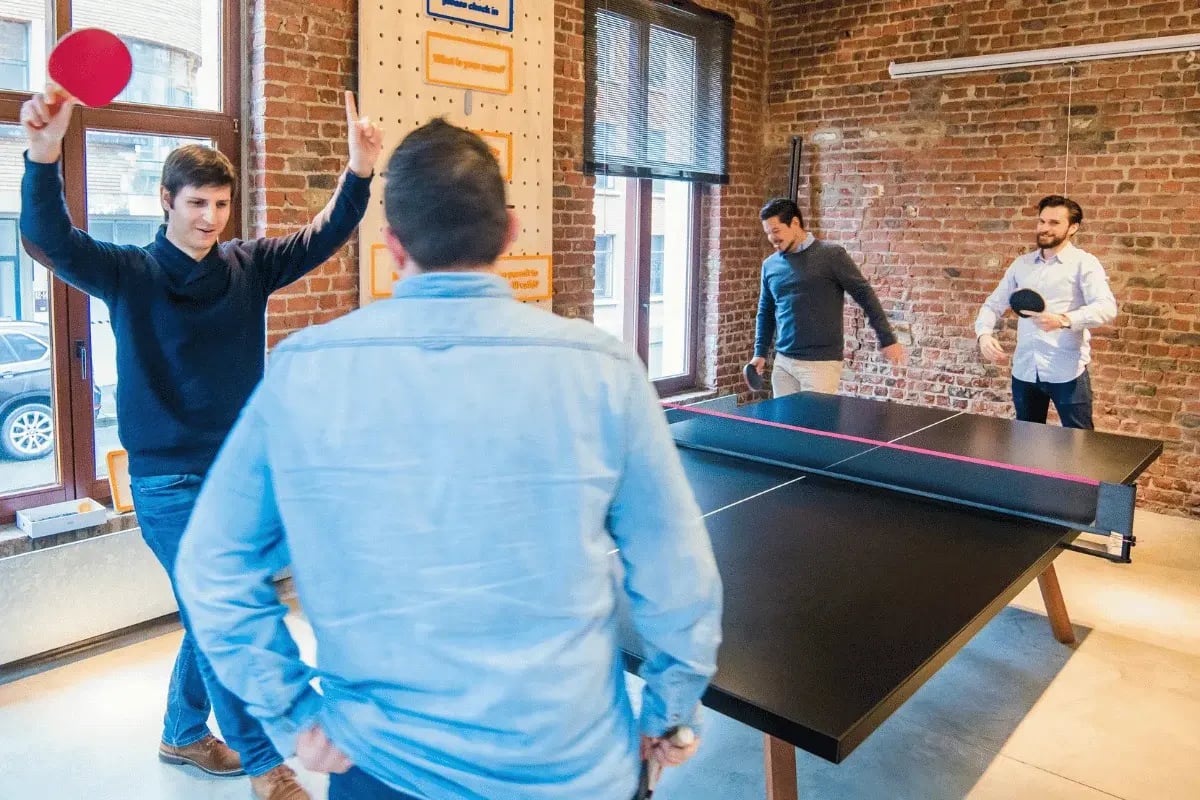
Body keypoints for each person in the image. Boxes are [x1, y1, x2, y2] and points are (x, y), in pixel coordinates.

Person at [174, 119, 723, 800]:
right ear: (511, 231)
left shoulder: (302, 371)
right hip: (571, 769)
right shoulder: (603, 368)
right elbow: (680, 579)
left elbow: (210, 567)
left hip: (380, 770)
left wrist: (294, 712)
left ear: (391, 246)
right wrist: (671, 715)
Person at [19, 90, 383, 800]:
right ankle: (264, 766)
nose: (210, 218)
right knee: (221, 613)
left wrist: (360, 172)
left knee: (212, 606)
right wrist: (42, 156)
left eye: (220, 205)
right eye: (196, 205)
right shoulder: (129, 273)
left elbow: (323, 235)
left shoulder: (248, 266)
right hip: (166, 484)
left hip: (239, 475)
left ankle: (183, 733)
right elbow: (49, 238)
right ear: (165, 201)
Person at [974, 195, 1117, 429]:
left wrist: (1064, 319)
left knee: (1080, 445)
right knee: (1027, 444)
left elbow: (1106, 307)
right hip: (1025, 371)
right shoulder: (1021, 265)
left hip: (1067, 372)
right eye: (1041, 221)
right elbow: (993, 304)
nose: (1044, 228)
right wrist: (984, 334)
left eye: (1054, 223)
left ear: (1073, 227)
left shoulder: (1085, 263)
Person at [751, 198, 905, 396]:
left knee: (816, 425)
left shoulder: (831, 255)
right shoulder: (770, 265)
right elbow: (765, 312)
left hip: (820, 365)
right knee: (784, 427)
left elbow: (864, 294)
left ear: (795, 223)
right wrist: (760, 353)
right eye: (768, 233)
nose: (772, 238)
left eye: (776, 231)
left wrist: (887, 338)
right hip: (783, 364)